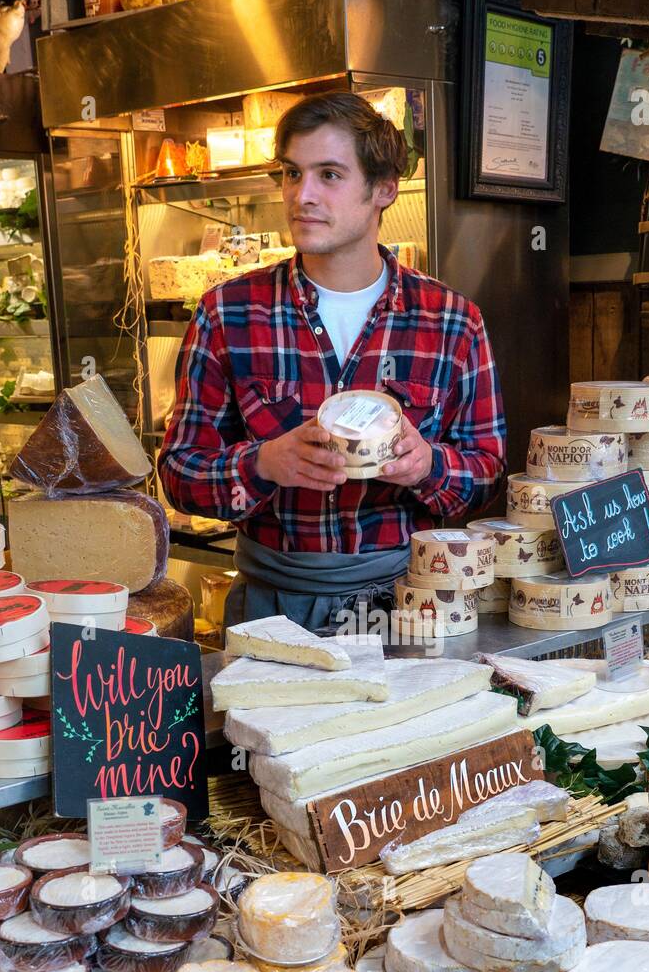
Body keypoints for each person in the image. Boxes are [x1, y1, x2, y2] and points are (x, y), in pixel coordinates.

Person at [159, 91, 506, 628]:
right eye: (293, 174)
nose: (303, 196)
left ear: (384, 189)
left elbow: (488, 476)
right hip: (273, 607)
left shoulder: (452, 321)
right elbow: (179, 472)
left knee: (409, 716)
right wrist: (263, 464)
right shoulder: (227, 313)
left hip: (411, 605)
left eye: (329, 175)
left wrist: (427, 465)